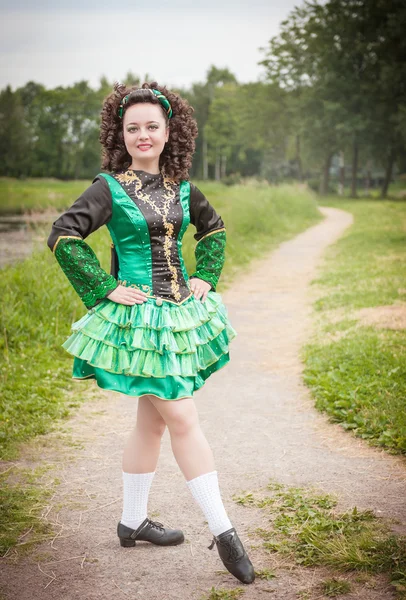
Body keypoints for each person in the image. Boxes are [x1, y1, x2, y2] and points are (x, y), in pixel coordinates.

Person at [47, 81, 255, 585]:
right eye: (132, 127)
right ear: (121, 135)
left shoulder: (182, 187)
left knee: (154, 422)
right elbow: (63, 234)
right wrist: (103, 288)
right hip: (141, 321)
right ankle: (224, 531)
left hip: (180, 314)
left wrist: (206, 274)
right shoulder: (109, 187)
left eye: (151, 127)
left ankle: (132, 520)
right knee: (182, 417)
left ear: (169, 133)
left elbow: (215, 228)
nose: (142, 135)